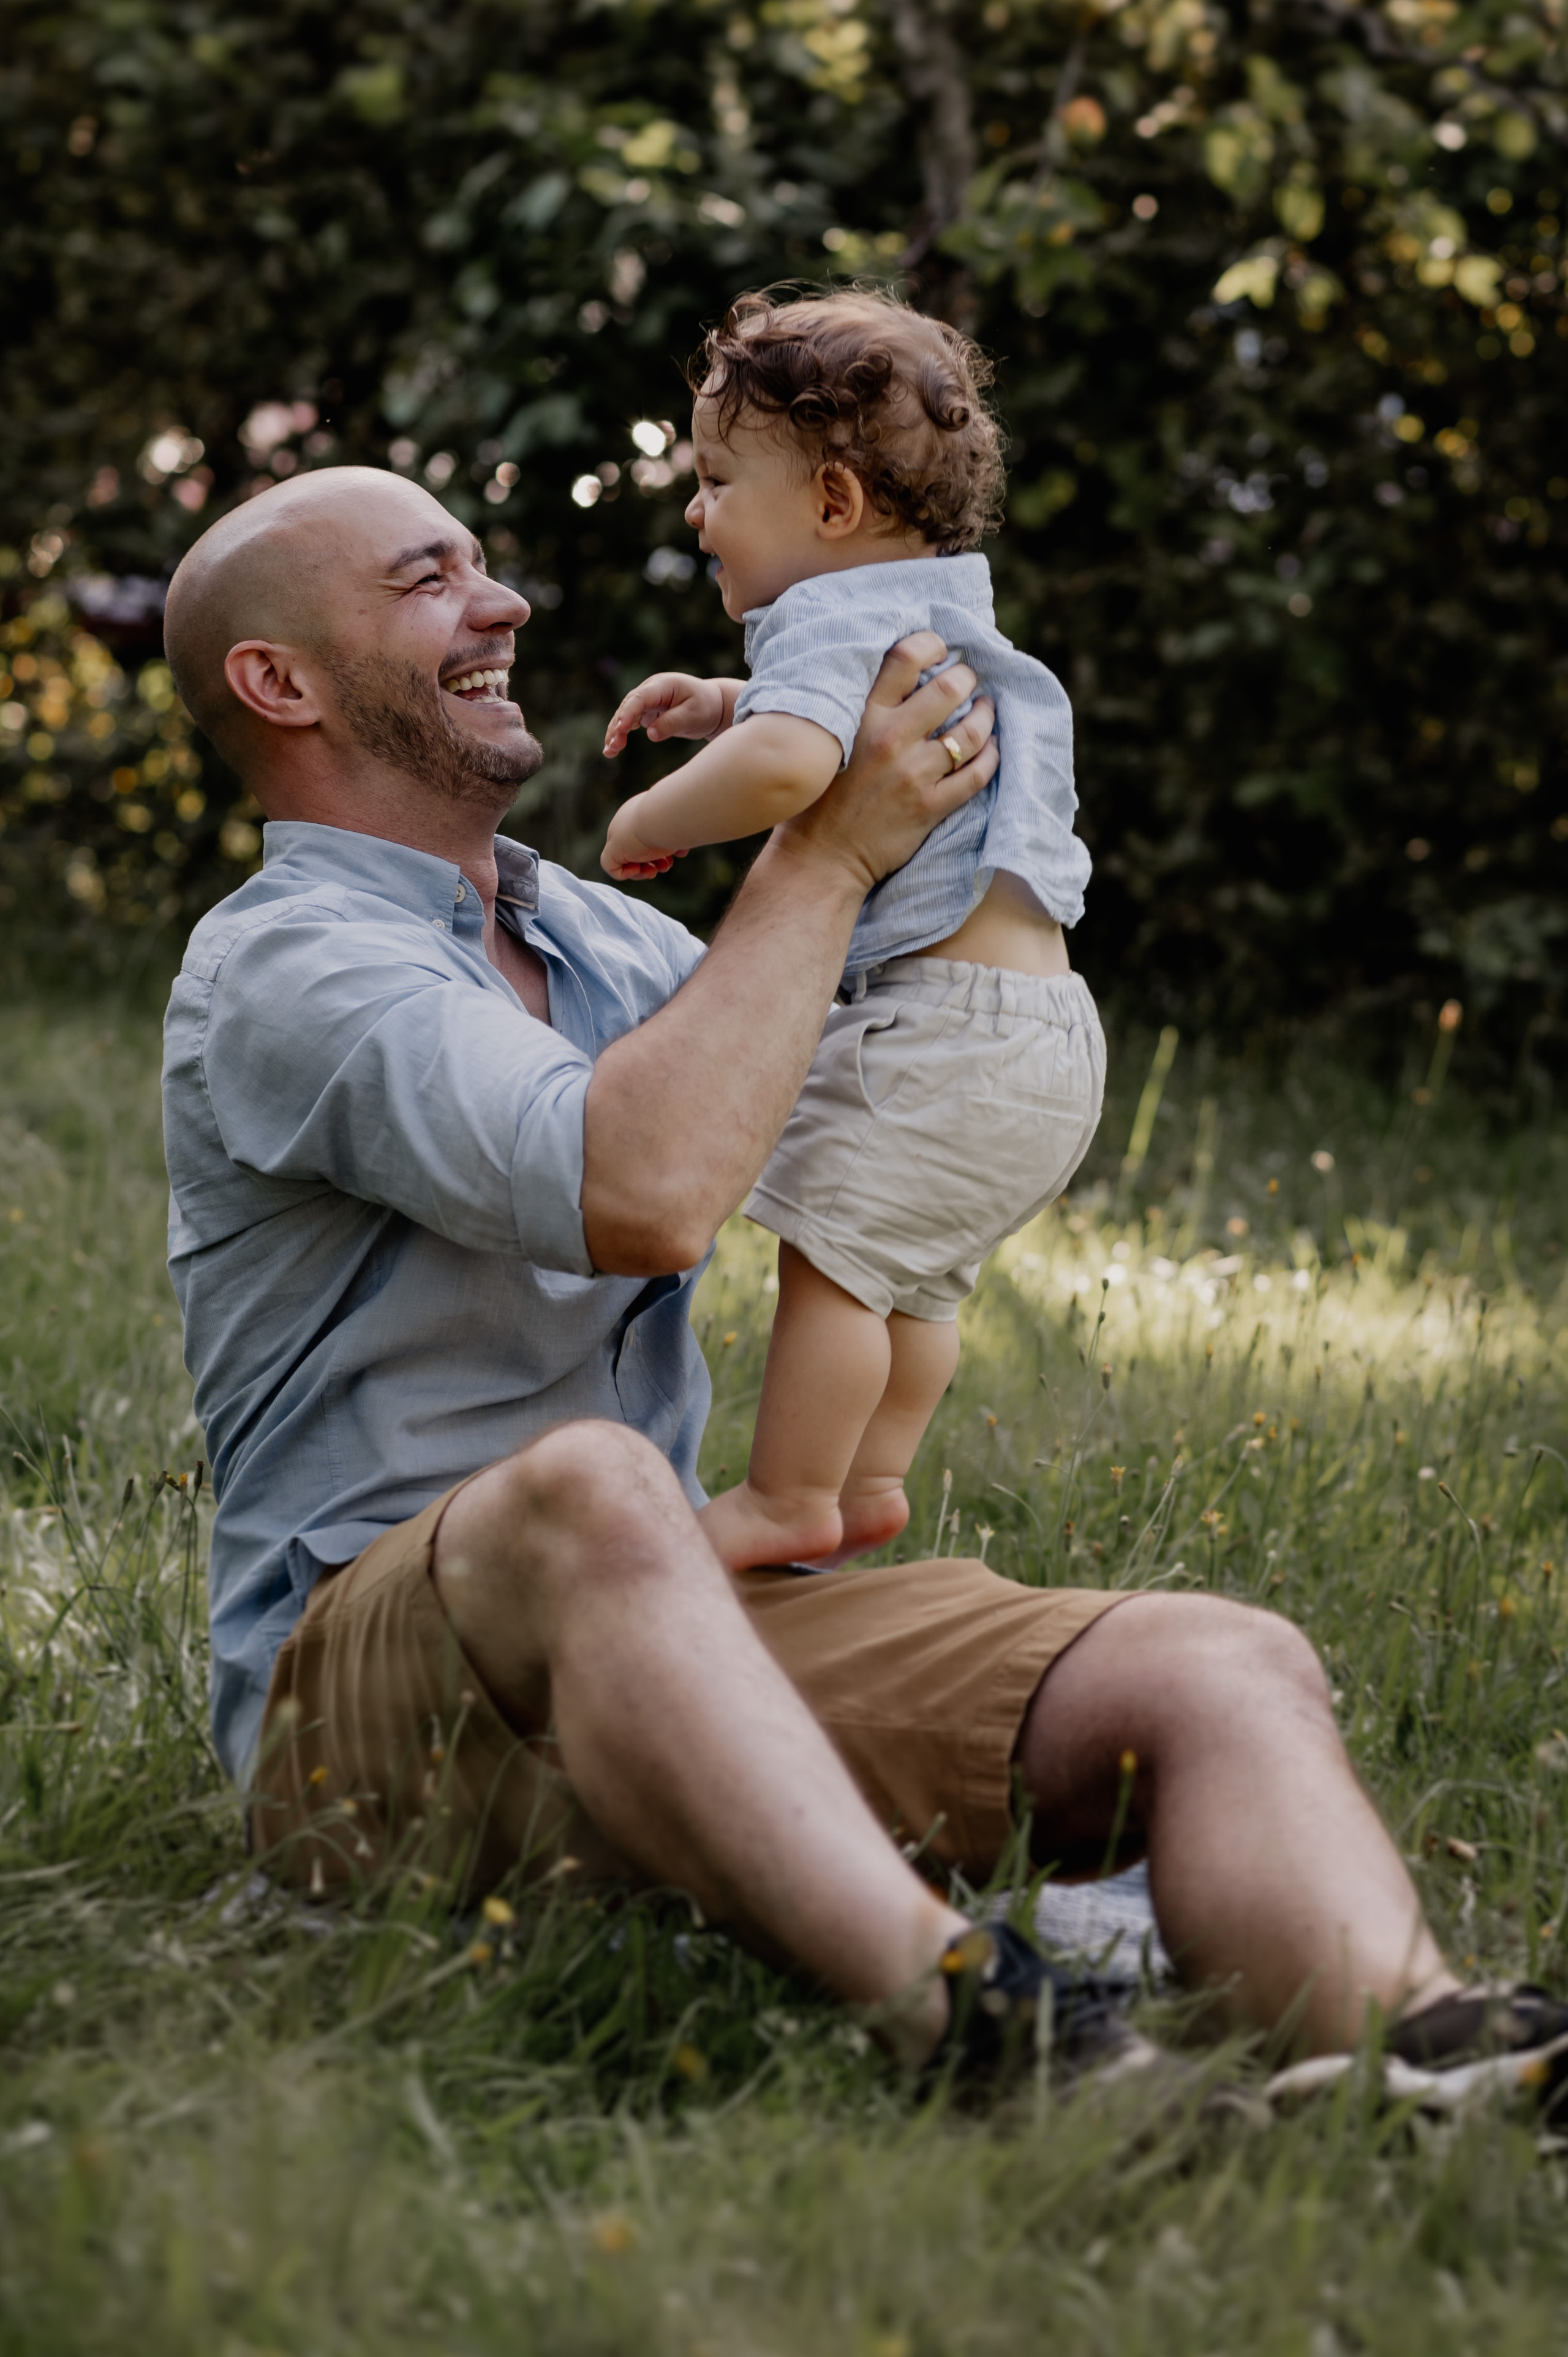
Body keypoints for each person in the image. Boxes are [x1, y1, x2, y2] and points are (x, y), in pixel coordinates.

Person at [159, 461, 1566, 2095]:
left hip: (666, 1644)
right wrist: (824, 855)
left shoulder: (609, 942)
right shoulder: (285, 964)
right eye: (427, 581)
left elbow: (848, 1094)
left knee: (1219, 1662)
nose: (505, 604)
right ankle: (994, 2034)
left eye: (483, 567)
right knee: (597, 1489)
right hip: (369, 1717)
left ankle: (1427, 2055)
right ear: (282, 681)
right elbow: (647, 1189)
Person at [601, 290, 1101, 1578]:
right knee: (911, 1275)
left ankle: (788, 1496)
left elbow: (787, 765)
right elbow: (794, 719)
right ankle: (872, 1477)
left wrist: (647, 817)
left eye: (715, 481)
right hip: (1046, 1032)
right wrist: (724, 702)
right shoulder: (933, 602)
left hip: (938, 1026)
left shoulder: (830, 617)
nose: (697, 510)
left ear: (830, 505)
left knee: (828, 1259)